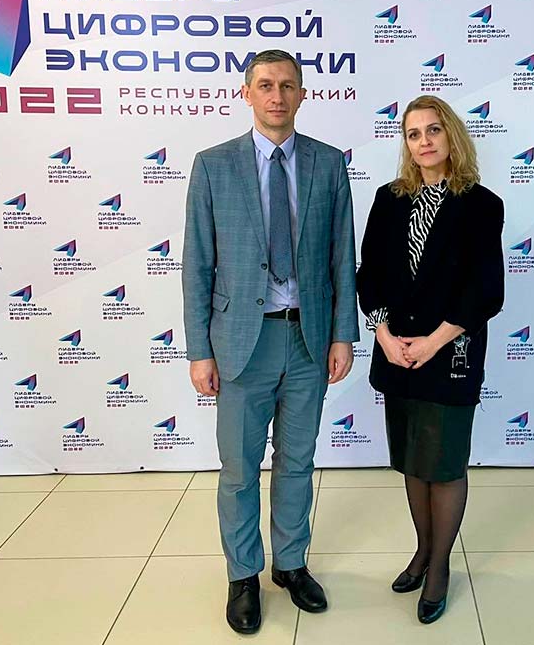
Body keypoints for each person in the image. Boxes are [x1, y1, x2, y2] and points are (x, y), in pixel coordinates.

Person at [182, 49, 359, 634]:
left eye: (287, 85)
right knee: (239, 470)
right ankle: (243, 575)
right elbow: (197, 264)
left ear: (303, 94)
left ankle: (290, 564)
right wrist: (199, 350)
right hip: (240, 344)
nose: (276, 95)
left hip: (308, 339)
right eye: (265, 85)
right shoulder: (213, 166)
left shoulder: (328, 164)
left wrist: (343, 334)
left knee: (297, 462)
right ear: (246, 93)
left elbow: (341, 257)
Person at [356, 95, 504, 624]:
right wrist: (383, 334)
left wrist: (434, 341)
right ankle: (422, 550)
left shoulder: (481, 204)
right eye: (413, 133)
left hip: (450, 352)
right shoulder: (389, 199)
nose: (424, 141)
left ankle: (439, 566)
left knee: (444, 464)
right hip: (397, 353)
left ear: (452, 135)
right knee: (413, 461)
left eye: (433, 130)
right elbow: (369, 273)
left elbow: (486, 290)